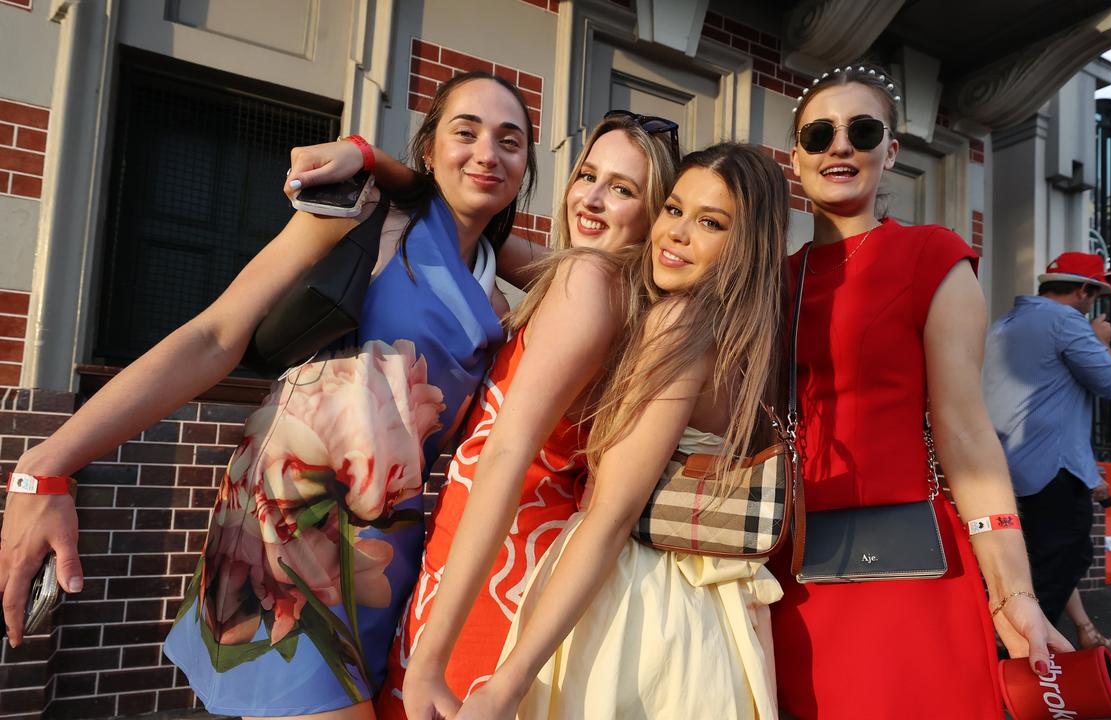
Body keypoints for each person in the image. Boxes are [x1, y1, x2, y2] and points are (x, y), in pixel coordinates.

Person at [0, 70, 538, 720]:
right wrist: (46, 467)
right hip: (281, 538)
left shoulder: (494, 292)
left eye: (510, 141)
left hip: (384, 564)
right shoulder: (366, 216)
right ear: (428, 149)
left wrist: (378, 158)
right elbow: (213, 334)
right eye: (466, 131)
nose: (487, 152)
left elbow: (591, 273)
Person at [767, 63, 1072, 720]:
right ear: (797, 158)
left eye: (862, 129)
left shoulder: (931, 257)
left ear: (891, 151)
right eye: (819, 134)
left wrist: (1012, 588)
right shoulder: (773, 282)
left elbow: (964, 431)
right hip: (795, 562)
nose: (839, 146)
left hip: (912, 565)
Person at [449, 142, 790, 720]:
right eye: (673, 209)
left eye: (710, 222)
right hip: (710, 613)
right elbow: (544, 262)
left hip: (636, 608)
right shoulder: (748, 338)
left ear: (745, 245)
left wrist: (505, 686)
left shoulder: (679, 324)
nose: (676, 234)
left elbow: (610, 519)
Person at [369, 114, 680, 720]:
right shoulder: (620, 292)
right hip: (509, 570)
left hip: (483, 580)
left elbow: (506, 454)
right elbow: (474, 222)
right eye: (587, 175)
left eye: (622, 189)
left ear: (654, 214)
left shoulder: (587, 279)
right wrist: (391, 169)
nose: (590, 198)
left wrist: (429, 657)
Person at [983, 251, 1111, 628]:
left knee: (1016, 567)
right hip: (1051, 475)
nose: (1092, 304)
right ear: (1083, 290)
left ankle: (1006, 648)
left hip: (999, 468)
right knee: (1063, 561)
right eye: (1095, 295)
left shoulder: (1004, 323)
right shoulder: (1068, 322)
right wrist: (1100, 341)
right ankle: (1021, 656)